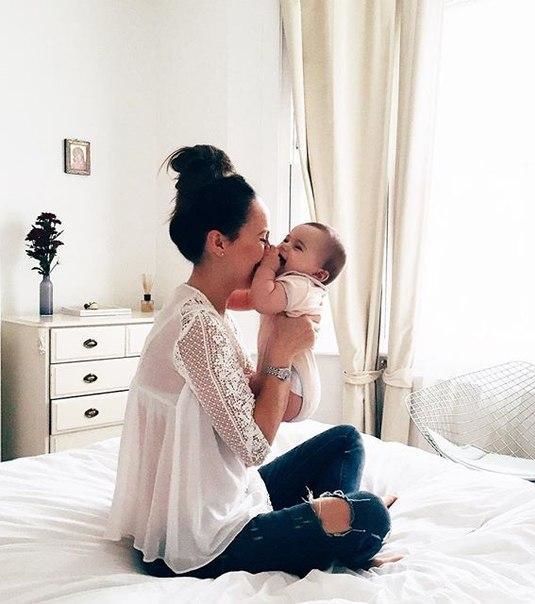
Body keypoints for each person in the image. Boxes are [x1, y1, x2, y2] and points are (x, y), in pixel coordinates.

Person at [104, 144, 393, 578]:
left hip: (227, 496)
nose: (272, 250)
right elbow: (255, 447)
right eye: (262, 238)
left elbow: (240, 402)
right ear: (218, 242)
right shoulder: (197, 328)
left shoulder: (205, 311)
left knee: (345, 440)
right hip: (200, 539)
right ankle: (334, 530)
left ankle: (327, 526)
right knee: (371, 515)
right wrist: (281, 354)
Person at [227, 222, 346, 422]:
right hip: (288, 381)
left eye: (297, 247)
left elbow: (261, 301)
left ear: (319, 274)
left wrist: (266, 267)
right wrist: (220, 299)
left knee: (238, 399)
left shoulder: (302, 285)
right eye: (287, 239)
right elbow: (250, 298)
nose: (285, 246)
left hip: (295, 385)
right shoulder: (287, 285)